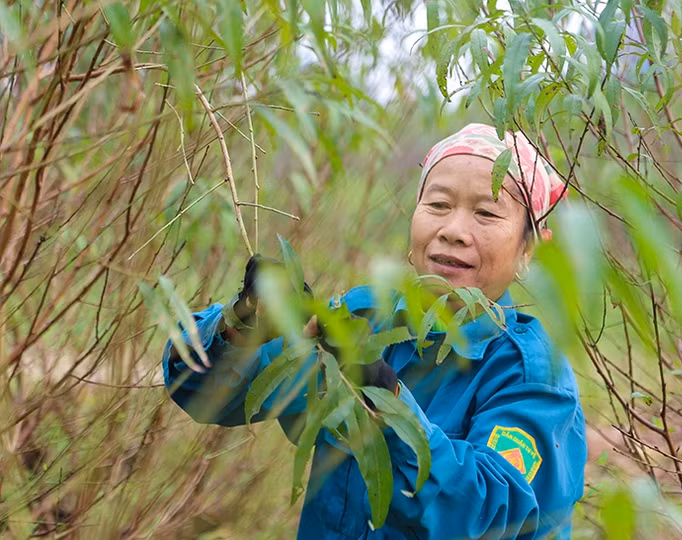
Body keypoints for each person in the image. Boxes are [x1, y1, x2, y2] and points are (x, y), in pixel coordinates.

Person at [163, 123, 587, 539]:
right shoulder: (363, 317)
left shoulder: (531, 376)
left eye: (486, 213)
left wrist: (390, 406)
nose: (453, 231)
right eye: (438, 205)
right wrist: (244, 325)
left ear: (529, 248)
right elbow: (201, 391)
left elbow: (487, 519)